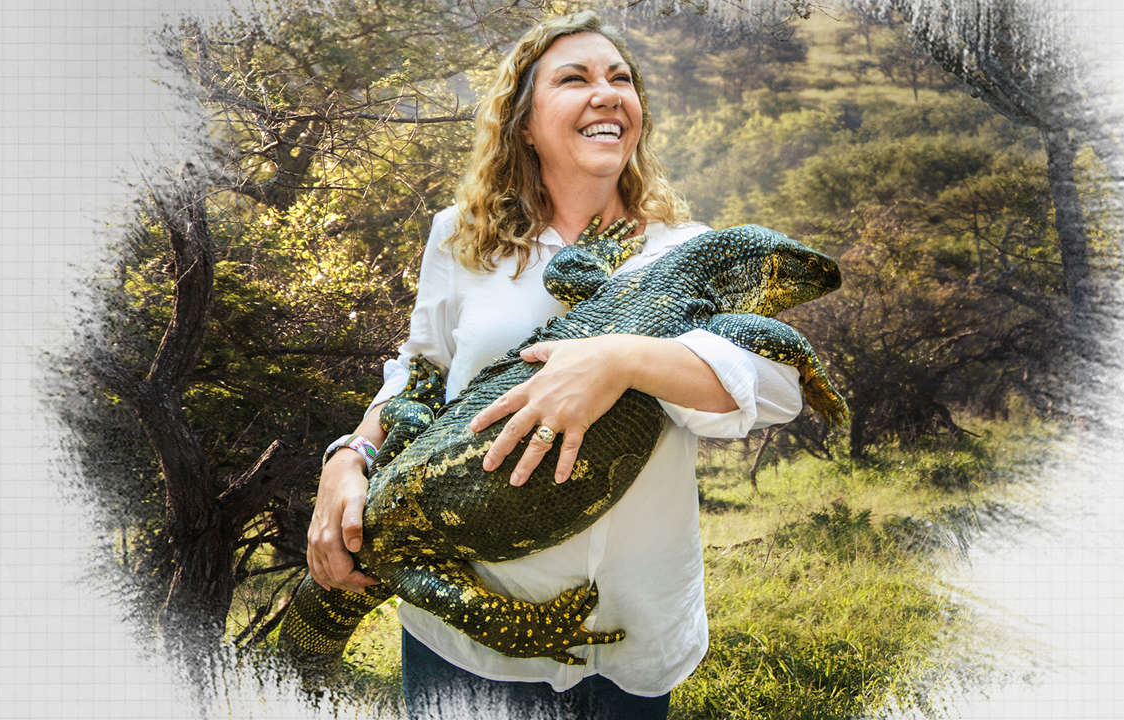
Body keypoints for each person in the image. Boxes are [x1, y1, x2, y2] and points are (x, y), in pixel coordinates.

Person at [306, 11, 804, 719]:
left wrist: (620, 360)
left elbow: (777, 390)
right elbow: (419, 371)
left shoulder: (683, 248)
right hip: (470, 648)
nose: (606, 93)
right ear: (525, 124)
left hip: (634, 633)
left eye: (621, 79)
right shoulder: (460, 237)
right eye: (575, 79)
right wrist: (349, 456)